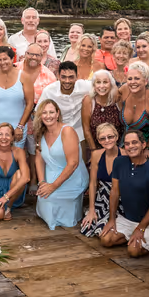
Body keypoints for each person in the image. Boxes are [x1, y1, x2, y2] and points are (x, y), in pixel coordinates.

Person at [99, 130, 149, 255]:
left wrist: (140, 228)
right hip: (128, 219)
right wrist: (111, 220)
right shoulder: (119, 162)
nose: (131, 146)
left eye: (134, 142)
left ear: (143, 144)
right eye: (127, 144)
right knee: (106, 240)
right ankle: (133, 237)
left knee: (133, 251)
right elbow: (114, 192)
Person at [35, 98, 89, 229]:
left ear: (57, 113)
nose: (48, 116)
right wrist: (42, 182)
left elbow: (73, 163)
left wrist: (53, 186)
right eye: (44, 113)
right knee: (43, 196)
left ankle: (71, 215)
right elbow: (39, 159)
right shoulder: (41, 132)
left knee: (50, 198)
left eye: (51, 112)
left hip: (73, 175)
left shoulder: (67, 131)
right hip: (51, 172)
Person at [0, 46, 34, 148]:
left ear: (12, 59)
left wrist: (20, 126)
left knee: (16, 156)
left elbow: (30, 104)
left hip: (17, 129)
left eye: (5, 59)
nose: (2, 62)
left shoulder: (24, 77)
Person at [21, 43, 57, 188]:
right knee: (17, 150)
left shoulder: (49, 76)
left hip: (37, 119)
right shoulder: (15, 69)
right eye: (31, 54)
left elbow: (52, 102)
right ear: (25, 54)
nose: (33, 57)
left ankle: (34, 180)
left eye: (37, 55)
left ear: (42, 57)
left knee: (34, 151)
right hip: (16, 117)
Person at [80, 123, 125, 238]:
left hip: (120, 198)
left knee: (104, 233)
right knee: (87, 227)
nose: (107, 140)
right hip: (102, 198)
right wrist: (91, 209)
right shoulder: (96, 155)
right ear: (99, 141)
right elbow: (93, 183)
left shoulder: (125, 154)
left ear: (116, 137)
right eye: (102, 138)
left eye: (110, 137)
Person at [120, 62, 149, 168]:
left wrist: (148, 148)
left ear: (145, 81)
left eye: (137, 78)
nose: (133, 82)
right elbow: (109, 96)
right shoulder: (124, 90)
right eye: (130, 79)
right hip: (129, 140)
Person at [37, 61, 94, 148]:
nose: (67, 81)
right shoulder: (49, 91)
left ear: (77, 77)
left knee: (81, 156)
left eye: (71, 77)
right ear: (58, 76)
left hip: (79, 132)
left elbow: (104, 86)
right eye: (63, 77)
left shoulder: (85, 86)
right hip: (57, 133)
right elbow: (38, 112)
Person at [82, 70, 124, 150]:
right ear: (94, 85)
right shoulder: (89, 100)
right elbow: (86, 129)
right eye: (98, 82)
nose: (101, 86)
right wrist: (94, 151)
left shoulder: (117, 99)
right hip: (97, 148)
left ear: (111, 84)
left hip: (118, 149)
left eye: (105, 82)